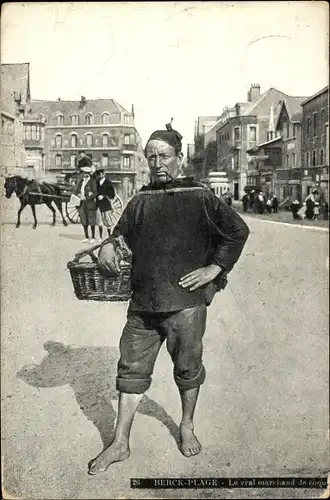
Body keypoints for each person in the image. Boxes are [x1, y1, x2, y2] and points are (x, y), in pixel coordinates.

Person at [87, 123, 249, 475]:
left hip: (186, 305)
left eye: (164, 156)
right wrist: (109, 245)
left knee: (187, 369)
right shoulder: (141, 198)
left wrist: (215, 269)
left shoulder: (201, 196)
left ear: (179, 158)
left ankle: (187, 424)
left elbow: (238, 231)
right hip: (143, 303)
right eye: (151, 157)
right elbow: (119, 232)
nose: (157, 163)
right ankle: (119, 443)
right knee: (130, 371)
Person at [75, 166, 98, 243]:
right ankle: (86, 236)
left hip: (90, 204)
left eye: (87, 173)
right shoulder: (81, 182)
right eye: (85, 173)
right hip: (82, 204)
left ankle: (93, 237)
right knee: (84, 220)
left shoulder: (92, 182)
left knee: (91, 221)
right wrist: (79, 195)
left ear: (90, 174)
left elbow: (95, 193)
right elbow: (77, 191)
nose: (86, 174)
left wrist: (87, 197)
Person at [95, 168, 116, 239]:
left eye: (102, 173)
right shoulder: (96, 182)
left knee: (108, 221)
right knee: (99, 222)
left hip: (106, 204)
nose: (100, 175)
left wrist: (103, 196)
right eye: (99, 173)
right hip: (98, 204)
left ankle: (109, 236)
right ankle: (100, 237)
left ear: (104, 174)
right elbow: (95, 192)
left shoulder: (108, 182)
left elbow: (112, 194)